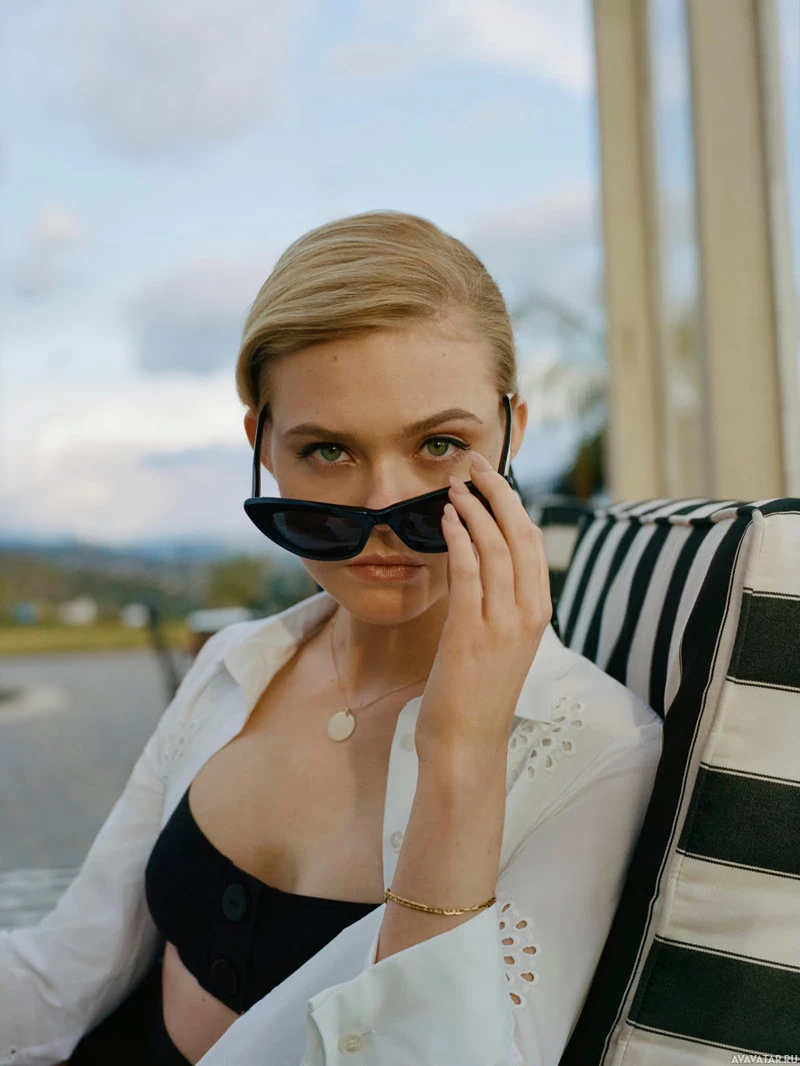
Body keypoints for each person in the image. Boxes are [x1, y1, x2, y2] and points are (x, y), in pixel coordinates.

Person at [0, 211, 662, 1066]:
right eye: (327, 451)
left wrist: (461, 754)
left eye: (440, 443)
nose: (380, 508)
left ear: (512, 433)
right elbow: (63, 977)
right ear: (263, 445)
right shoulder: (234, 667)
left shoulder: (597, 750)